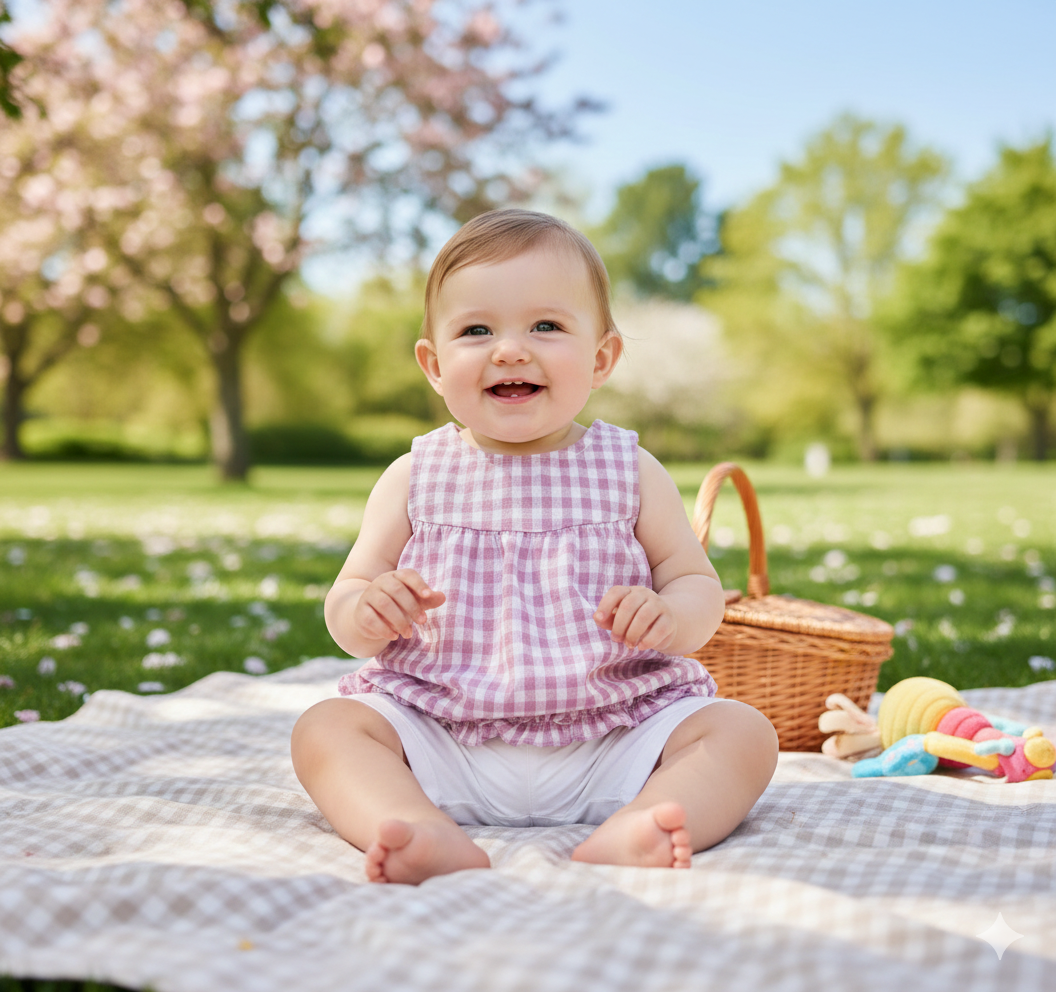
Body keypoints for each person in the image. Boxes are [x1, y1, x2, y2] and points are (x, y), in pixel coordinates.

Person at [291, 209, 778, 885]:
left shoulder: (630, 469)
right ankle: (412, 825)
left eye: (546, 326)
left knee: (742, 733)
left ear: (602, 357)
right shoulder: (414, 476)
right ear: (433, 365)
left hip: (612, 735)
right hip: (443, 737)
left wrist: (671, 616)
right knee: (327, 729)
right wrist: (367, 608)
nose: (510, 350)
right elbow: (346, 601)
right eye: (476, 330)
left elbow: (695, 582)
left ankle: (650, 819)